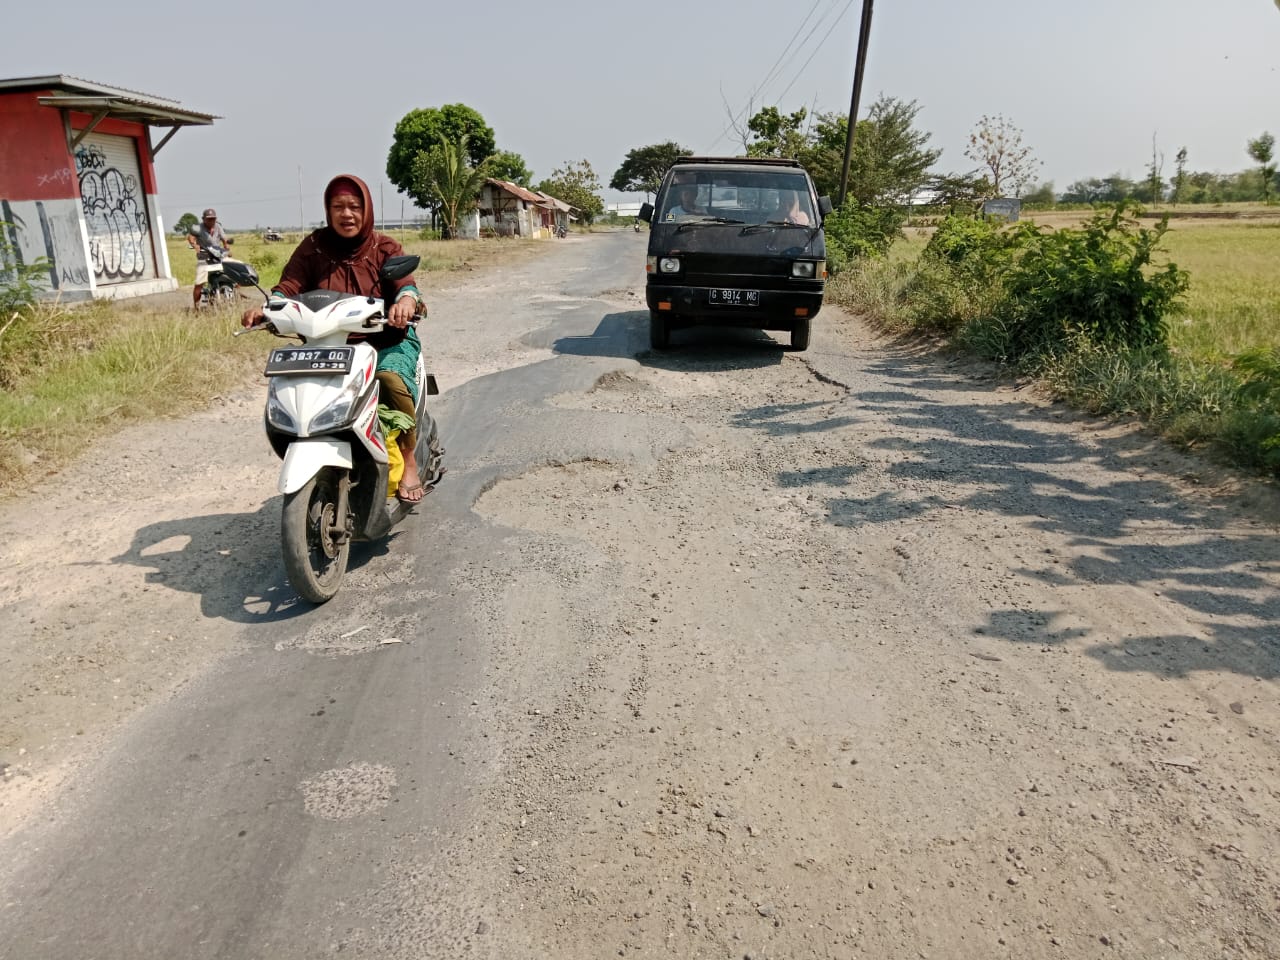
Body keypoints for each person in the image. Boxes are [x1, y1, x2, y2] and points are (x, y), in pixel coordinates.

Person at [241, 174, 428, 503]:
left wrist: (405, 302)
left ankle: (408, 457)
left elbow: (406, 285)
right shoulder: (313, 247)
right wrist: (267, 309)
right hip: (330, 345)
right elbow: (288, 286)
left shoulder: (384, 247)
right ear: (328, 210)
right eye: (338, 206)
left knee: (389, 380)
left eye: (354, 206)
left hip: (385, 342)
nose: (347, 214)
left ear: (366, 209)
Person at [188, 208, 233, 309]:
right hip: (204, 256)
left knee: (236, 269)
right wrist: (194, 244)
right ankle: (196, 306)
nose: (211, 221)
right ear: (203, 219)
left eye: (213, 219)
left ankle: (236, 294)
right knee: (200, 282)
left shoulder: (218, 226)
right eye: (209, 219)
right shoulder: (198, 228)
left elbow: (224, 238)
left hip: (217, 254)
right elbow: (190, 237)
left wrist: (226, 246)